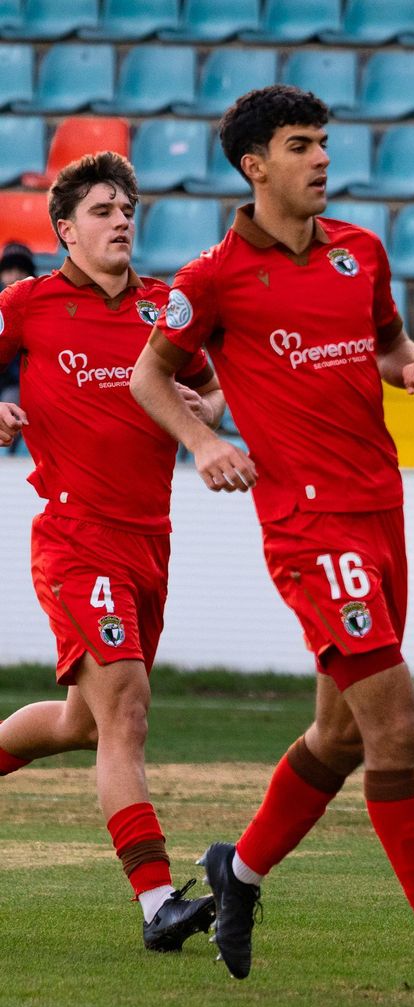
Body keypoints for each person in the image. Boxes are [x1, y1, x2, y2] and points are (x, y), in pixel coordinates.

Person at [130, 86, 414, 1001]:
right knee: (398, 725)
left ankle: (241, 871)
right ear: (254, 165)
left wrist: (412, 366)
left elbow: (383, 343)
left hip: (381, 507)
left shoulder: (361, 252)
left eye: (324, 143)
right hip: (308, 526)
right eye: (301, 145)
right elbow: (151, 377)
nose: (321, 159)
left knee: (340, 733)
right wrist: (207, 443)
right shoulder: (212, 277)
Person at [0, 151, 224, 952]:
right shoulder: (26, 305)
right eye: (102, 210)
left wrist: (208, 403)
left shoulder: (165, 309)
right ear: (64, 229)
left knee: (82, 724)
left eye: (127, 208)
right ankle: (157, 899)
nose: (121, 219)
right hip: (74, 539)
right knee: (126, 710)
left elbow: (214, 385)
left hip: (149, 542)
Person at [0, 243, 34, 409]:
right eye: (9, 270)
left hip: (23, 383)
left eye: (21, 270)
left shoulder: (37, 306)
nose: (15, 275)